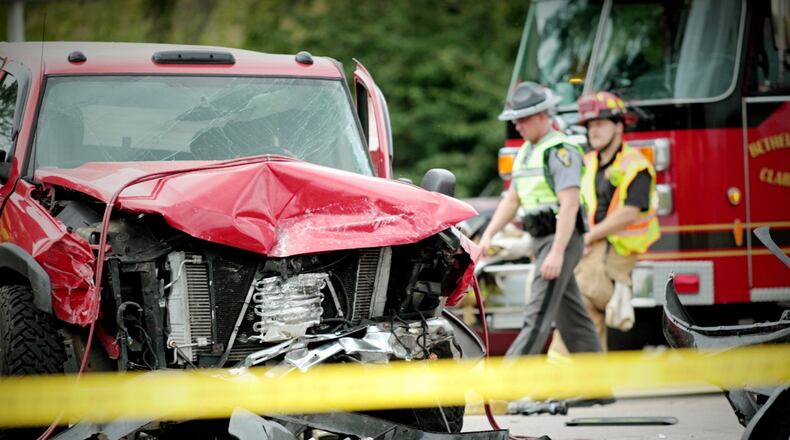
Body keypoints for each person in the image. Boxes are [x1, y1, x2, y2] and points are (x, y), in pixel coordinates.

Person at [479, 82, 601, 356]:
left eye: (523, 119)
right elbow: (512, 199)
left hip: (560, 239)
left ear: (542, 116)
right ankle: (598, 387)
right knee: (573, 317)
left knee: (536, 316)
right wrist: (488, 234)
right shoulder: (526, 152)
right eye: (515, 120)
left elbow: (569, 205)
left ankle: (503, 390)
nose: (518, 126)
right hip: (542, 239)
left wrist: (557, 253)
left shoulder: (561, 151)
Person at [550, 91, 660, 353]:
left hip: (619, 250)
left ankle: (558, 376)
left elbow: (629, 213)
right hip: (591, 245)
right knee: (582, 308)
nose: (593, 131)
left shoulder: (636, 165)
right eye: (589, 126)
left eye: (600, 123)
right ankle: (592, 386)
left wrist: (587, 237)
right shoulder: (588, 161)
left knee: (582, 296)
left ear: (619, 126)